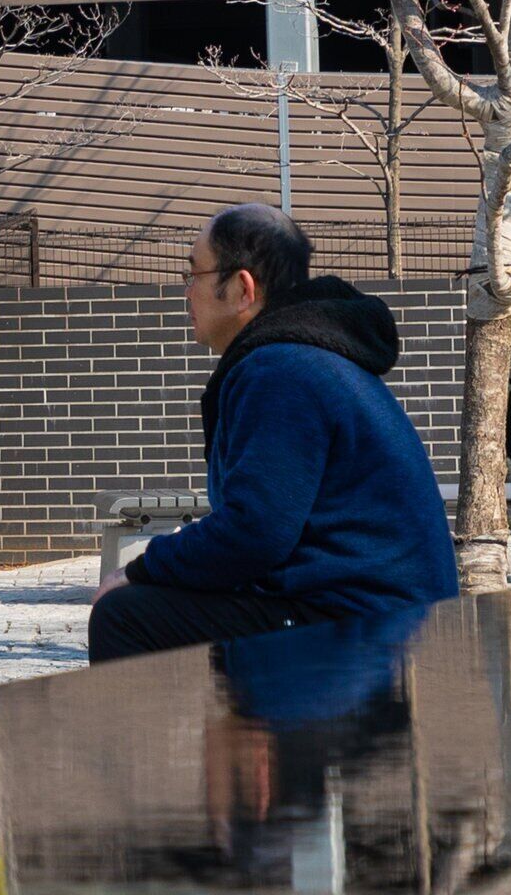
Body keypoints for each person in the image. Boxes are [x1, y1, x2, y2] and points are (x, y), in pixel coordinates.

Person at [89, 203, 459, 664]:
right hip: (386, 614)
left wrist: (141, 570)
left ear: (242, 288)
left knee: (124, 614)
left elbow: (254, 533)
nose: (186, 292)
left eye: (194, 275)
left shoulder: (280, 370)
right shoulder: (310, 356)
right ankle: (239, 731)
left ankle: (221, 731)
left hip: (367, 629)